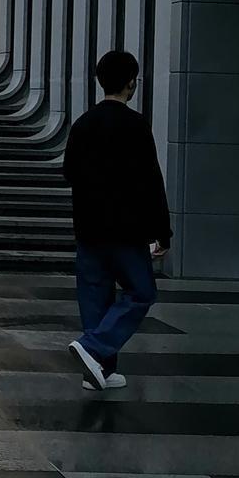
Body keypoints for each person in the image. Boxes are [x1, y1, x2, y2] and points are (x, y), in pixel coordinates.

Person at [63, 49, 172, 391]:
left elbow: (69, 173)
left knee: (95, 297)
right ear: (130, 84)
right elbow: (152, 181)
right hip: (127, 230)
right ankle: (94, 349)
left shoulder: (83, 123)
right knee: (141, 292)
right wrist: (162, 232)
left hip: (89, 228)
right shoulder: (136, 126)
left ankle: (100, 372)